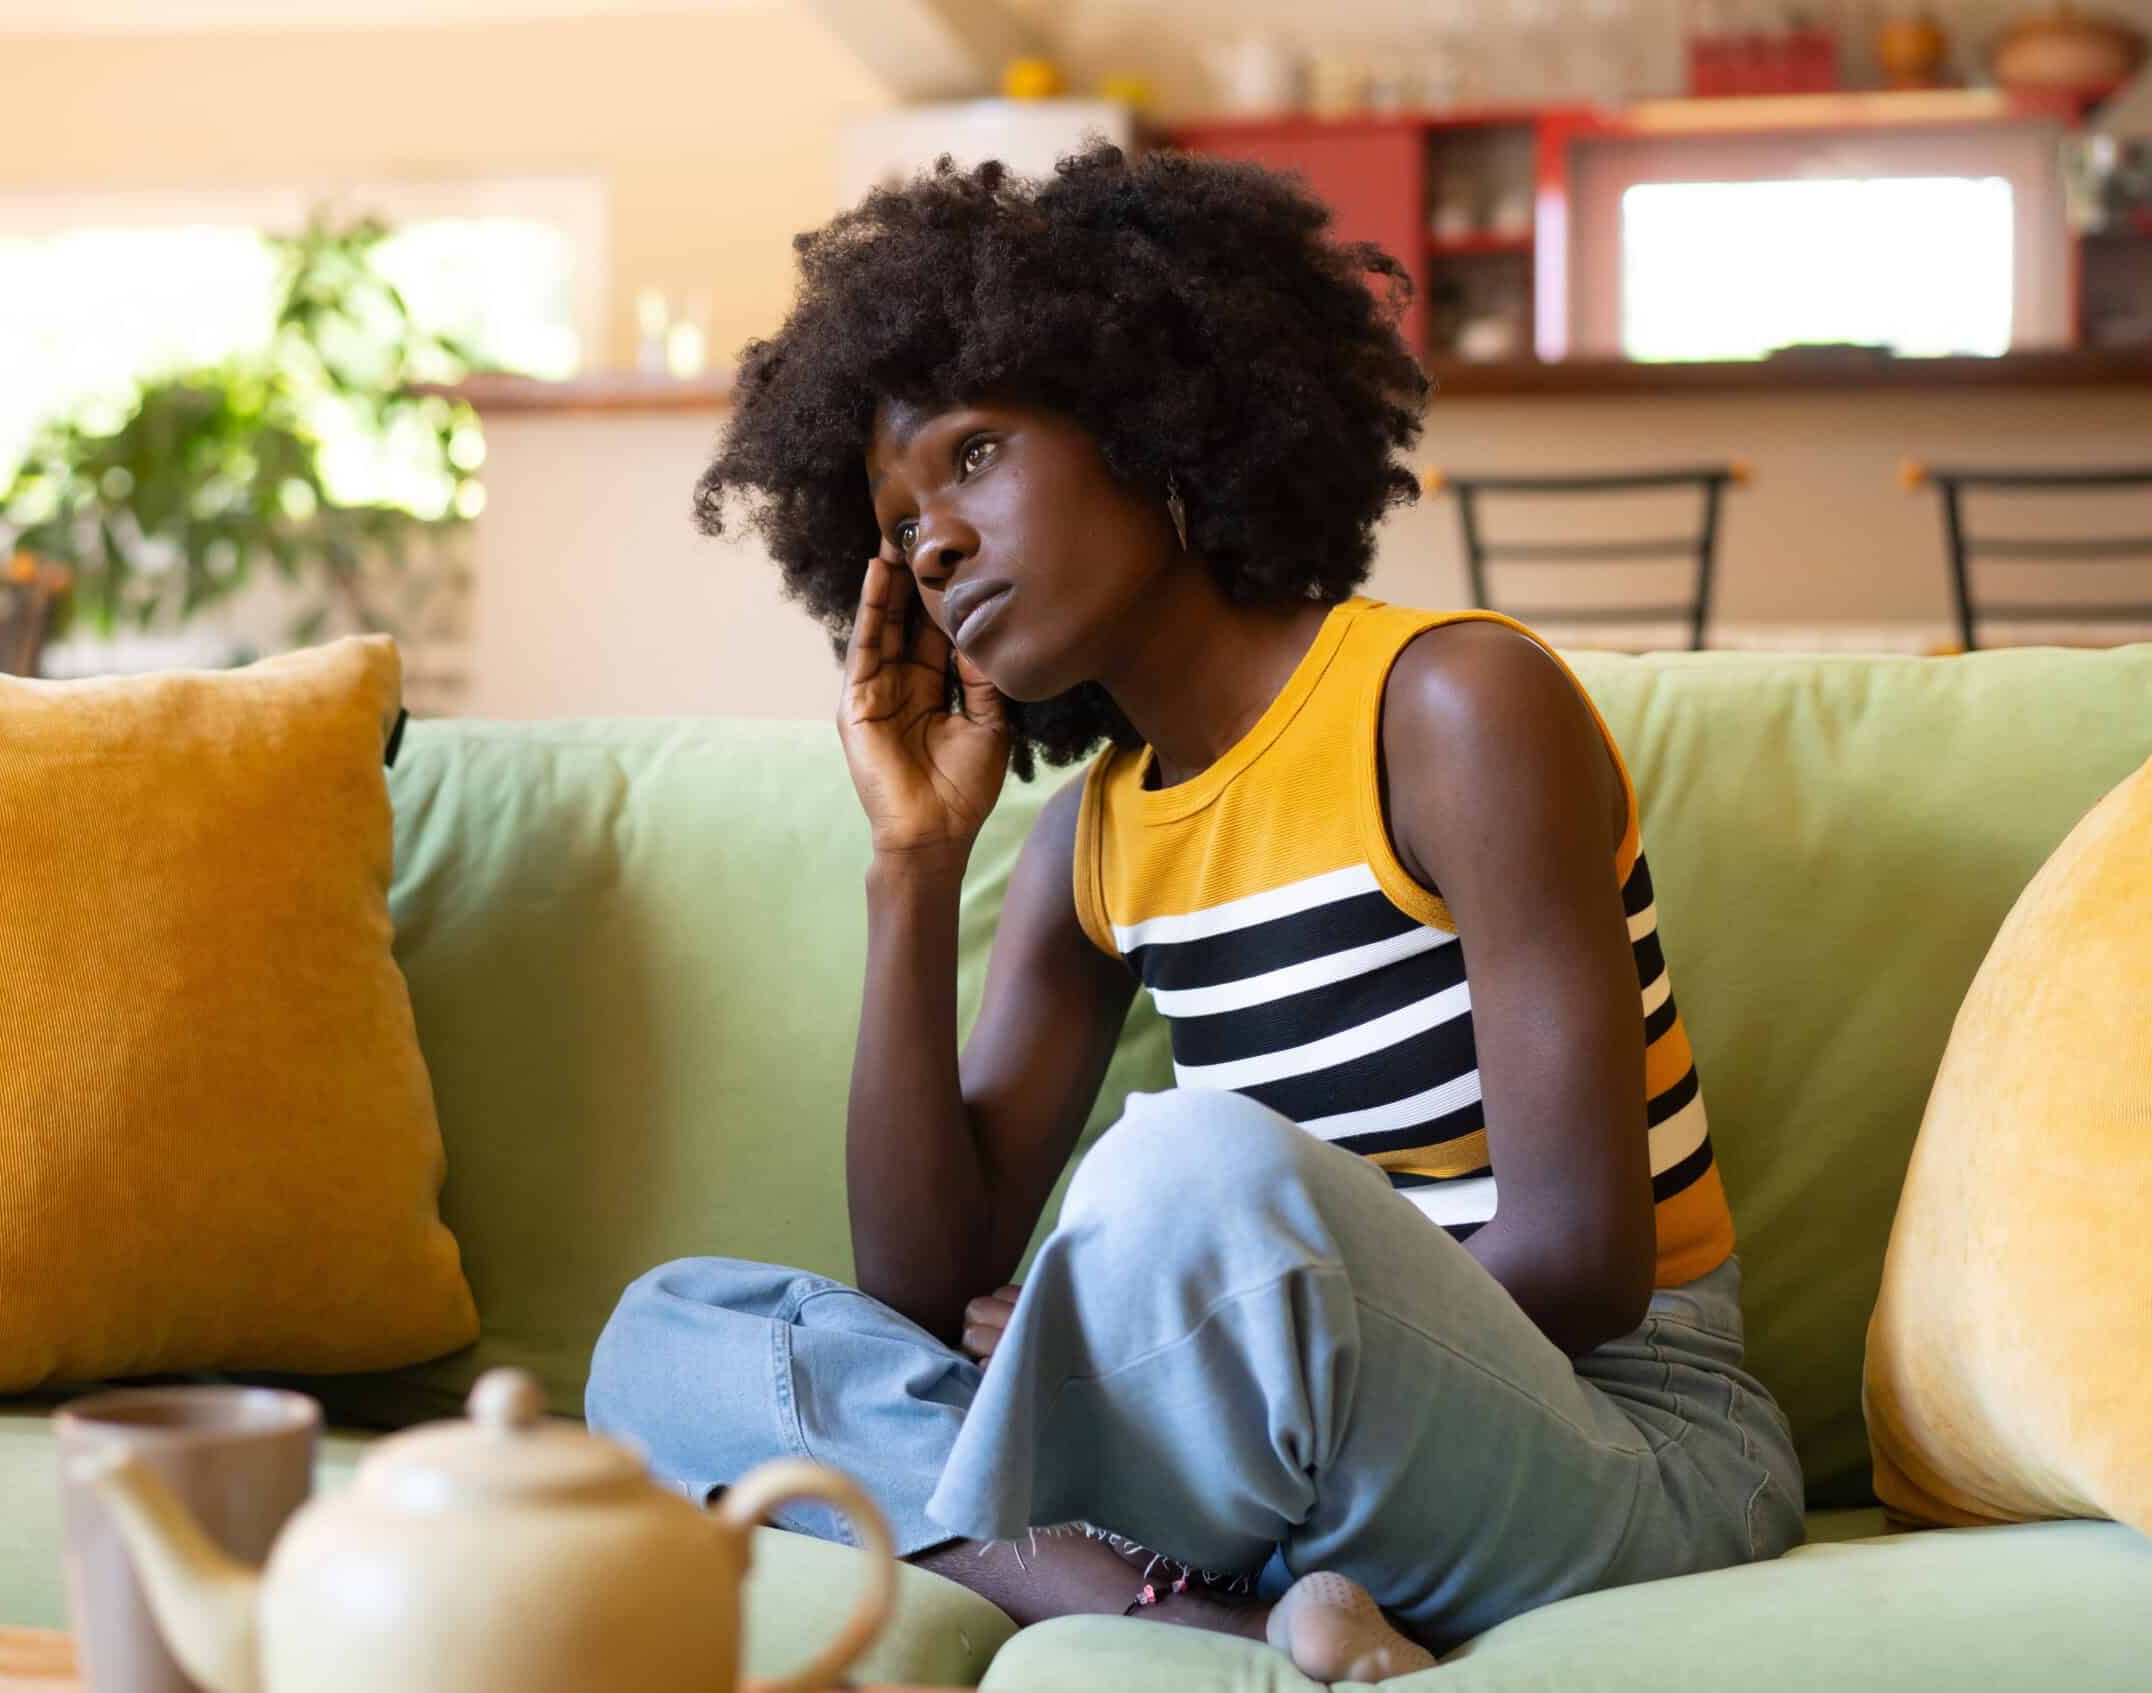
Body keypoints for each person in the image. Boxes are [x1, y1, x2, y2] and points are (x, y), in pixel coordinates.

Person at [585, 146, 1802, 1683]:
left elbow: (1585, 1256)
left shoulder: (1450, 705)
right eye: (896, 524)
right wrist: (914, 863)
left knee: (1181, 1161)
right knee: (673, 1332)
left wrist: (1180, 1330)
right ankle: (1225, 1614)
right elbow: (911, 1286)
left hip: (1619, 1430)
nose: (933, 544)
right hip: (1292, 1458)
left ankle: (1115, 1551)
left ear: (1149, 421)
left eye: (974, 458)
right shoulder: (1088, 843)